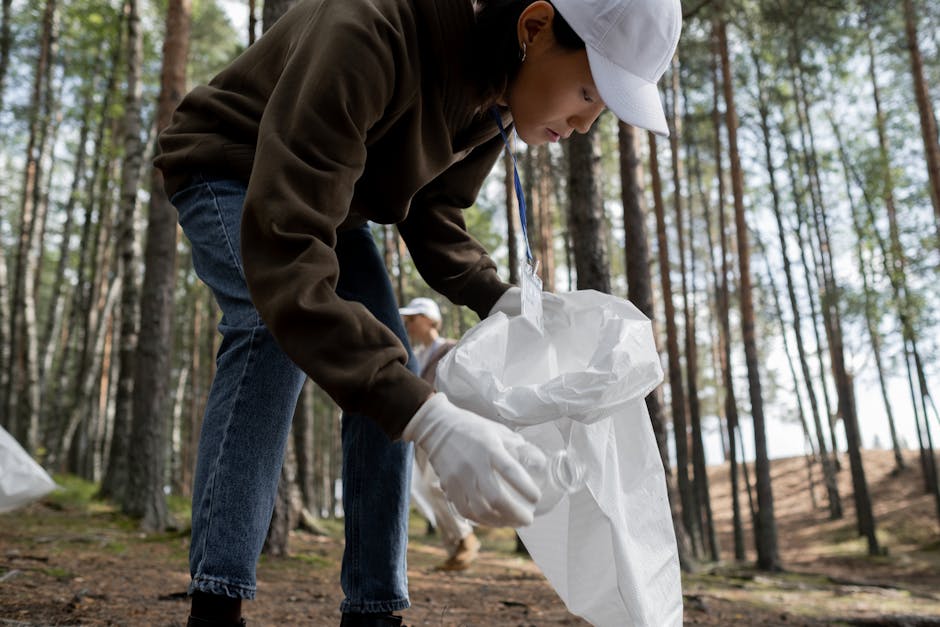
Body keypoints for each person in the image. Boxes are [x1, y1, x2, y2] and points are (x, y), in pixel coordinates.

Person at [154, 0, 680, 623]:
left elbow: (433, 208)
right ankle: (217, 604)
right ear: (536, 28)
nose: (586, 124)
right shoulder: (371, 27)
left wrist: (501, 297)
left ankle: (374, 610)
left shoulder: (497, 87)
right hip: (231, 166)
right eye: (588, 91)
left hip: (328, 201)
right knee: (269, 328)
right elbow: (286, 241)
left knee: (392, 370)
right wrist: (433, 423)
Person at [398, 297, 480, 572]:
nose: (408, 323)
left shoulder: (451, 348)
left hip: (445, 425)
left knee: (437, 485)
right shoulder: (417, 357)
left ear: (429, 320)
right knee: (425, 490)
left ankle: (466, 538)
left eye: (413, 318)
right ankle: (455, 550)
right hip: (421, 431)